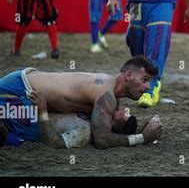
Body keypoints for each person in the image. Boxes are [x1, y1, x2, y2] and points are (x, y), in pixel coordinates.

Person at [0, 56, 162, 149]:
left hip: (28, 91)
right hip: (22, 89)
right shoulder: (107, 95)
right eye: (145, 80)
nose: (148, 87)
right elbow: (102, 140)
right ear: (128, 76)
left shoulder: (110, 93)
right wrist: (141, 138)